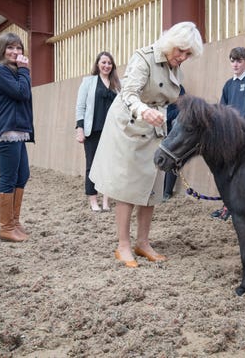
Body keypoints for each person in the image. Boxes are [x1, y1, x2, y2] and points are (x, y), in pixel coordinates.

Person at [89, 21, 203, 267]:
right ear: (171, 43)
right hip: (131, 125)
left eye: (188, 54)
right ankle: (123, 245)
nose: (183, 57)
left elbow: (171, 99)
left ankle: (143, 242)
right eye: (180, 51)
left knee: (152, 187)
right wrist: (143, 111)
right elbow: (128, 93)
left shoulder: (176, 69)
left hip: (155, 127)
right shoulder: (144, 57)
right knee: (128, 188)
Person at [210, 46, 245, 220]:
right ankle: (227, 206)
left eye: (239, 61)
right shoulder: (228, 84)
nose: (235, 64)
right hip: (229, 135)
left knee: (242, 172)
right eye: (233, 61)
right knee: (228, 171)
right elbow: (222, 109)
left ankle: (241, 207)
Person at [0, 32, 35, 242]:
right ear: (1, 50)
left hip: (17, 131)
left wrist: (22, 72)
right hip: (7, 131)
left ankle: (15, 222)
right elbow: (22, 93)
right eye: (10, 48)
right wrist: (25, 70)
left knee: (22, 175)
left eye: (19, 48)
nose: (15, 52)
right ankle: (6, 227)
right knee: (8, 178)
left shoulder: (14, 72)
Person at [75, 52, 121, 212]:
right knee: (92, 166)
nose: (107, 65)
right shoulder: (88, 82)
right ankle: (93, 201)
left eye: (109, 63)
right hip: (93, 131)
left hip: (112, 132)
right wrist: (80, 128)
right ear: (97, 64)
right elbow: (80, 107)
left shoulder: (117, 84)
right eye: (104, 62)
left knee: (109, 166)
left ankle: (106, 201)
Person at [162, 84, 186, 201]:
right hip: (157, 128)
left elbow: (181, 109)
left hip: (172, 129)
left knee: (172, 160)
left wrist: (165, 116)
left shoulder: (179, 89)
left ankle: (167, 191)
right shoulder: (158, 84)